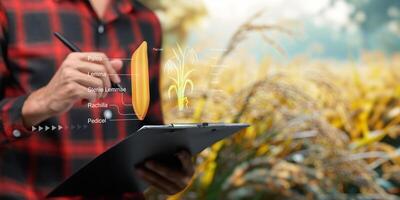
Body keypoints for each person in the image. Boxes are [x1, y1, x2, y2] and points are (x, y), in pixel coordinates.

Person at [0, 0, 194, 199]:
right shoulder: (10, 8)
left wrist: (171, 168)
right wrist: (41, 102)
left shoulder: (147, 22)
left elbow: (150, 124)